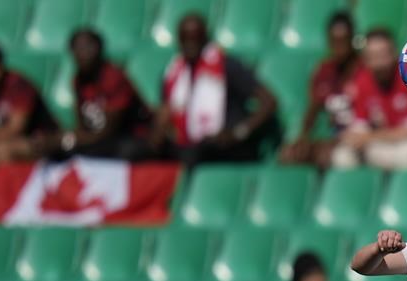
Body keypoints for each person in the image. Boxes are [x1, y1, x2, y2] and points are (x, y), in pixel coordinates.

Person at [151, 13, 279, 166]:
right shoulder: (172, 73)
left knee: (192, 155)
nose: (190, 45)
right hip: (188, 144)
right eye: (185, 39)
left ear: (205, 38)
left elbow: (269, 102)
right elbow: (166, 112)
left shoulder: (228, 66)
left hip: (226, 146)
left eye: (195, 38)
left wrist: (238, 132)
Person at [331, 28, 407, 170]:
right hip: (386, 143)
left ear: (394, 54)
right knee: (343, 155)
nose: (378, 62)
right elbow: (359, 128)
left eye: (382, 55)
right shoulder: (363, 81)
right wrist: (352, 137)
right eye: (372, 56)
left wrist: (369, 138)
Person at [42, 28, 152, 160]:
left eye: (89, 46)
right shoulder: (78, 80)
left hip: (126, 137)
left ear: (100, 49)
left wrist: (68, 139)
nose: (85, 52)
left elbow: (108, 130)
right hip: (96, 140)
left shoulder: (113, 77)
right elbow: (82, 125)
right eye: (78, 48)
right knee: (55, 152)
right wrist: (64, 140)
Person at [279, 11, 360, 167]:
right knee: (289, 153)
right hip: (335, 136)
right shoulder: (324, 71)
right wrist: (303, 138)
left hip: (360, 137)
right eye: (334, 42)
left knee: (329, 156)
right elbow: (313, 108)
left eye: (343, 41)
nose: (339, 48)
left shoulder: (365, 70)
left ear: (352, 40)